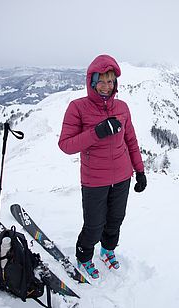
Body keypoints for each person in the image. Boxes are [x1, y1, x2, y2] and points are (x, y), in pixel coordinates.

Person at [58, 54, 147, 279]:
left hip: (122, 176)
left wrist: (140, 171)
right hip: (94, 179)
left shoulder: (123, 107)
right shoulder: (78, 108)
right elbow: (66, 145)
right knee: (94, 225)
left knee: (115, 219)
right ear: (92, 82)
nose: (106, 86)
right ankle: (84, 256)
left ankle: (107, 250)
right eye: (101, 81)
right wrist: (95, 133)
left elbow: (131, 141)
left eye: (110, 81)